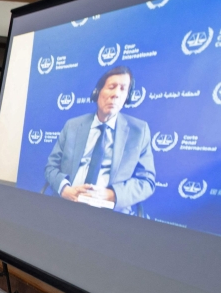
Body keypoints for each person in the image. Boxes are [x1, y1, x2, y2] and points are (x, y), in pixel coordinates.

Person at [44, 65, 155, 214]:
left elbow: (146, 182)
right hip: (67, 206)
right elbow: (51, 167)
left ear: (127, 98)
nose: (116, 94)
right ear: (97, 92)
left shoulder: (139, 132)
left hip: (111, 215)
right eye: (111, 87)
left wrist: (112, 195)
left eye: (123, 89)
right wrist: (65, 189)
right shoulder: (73, 126)